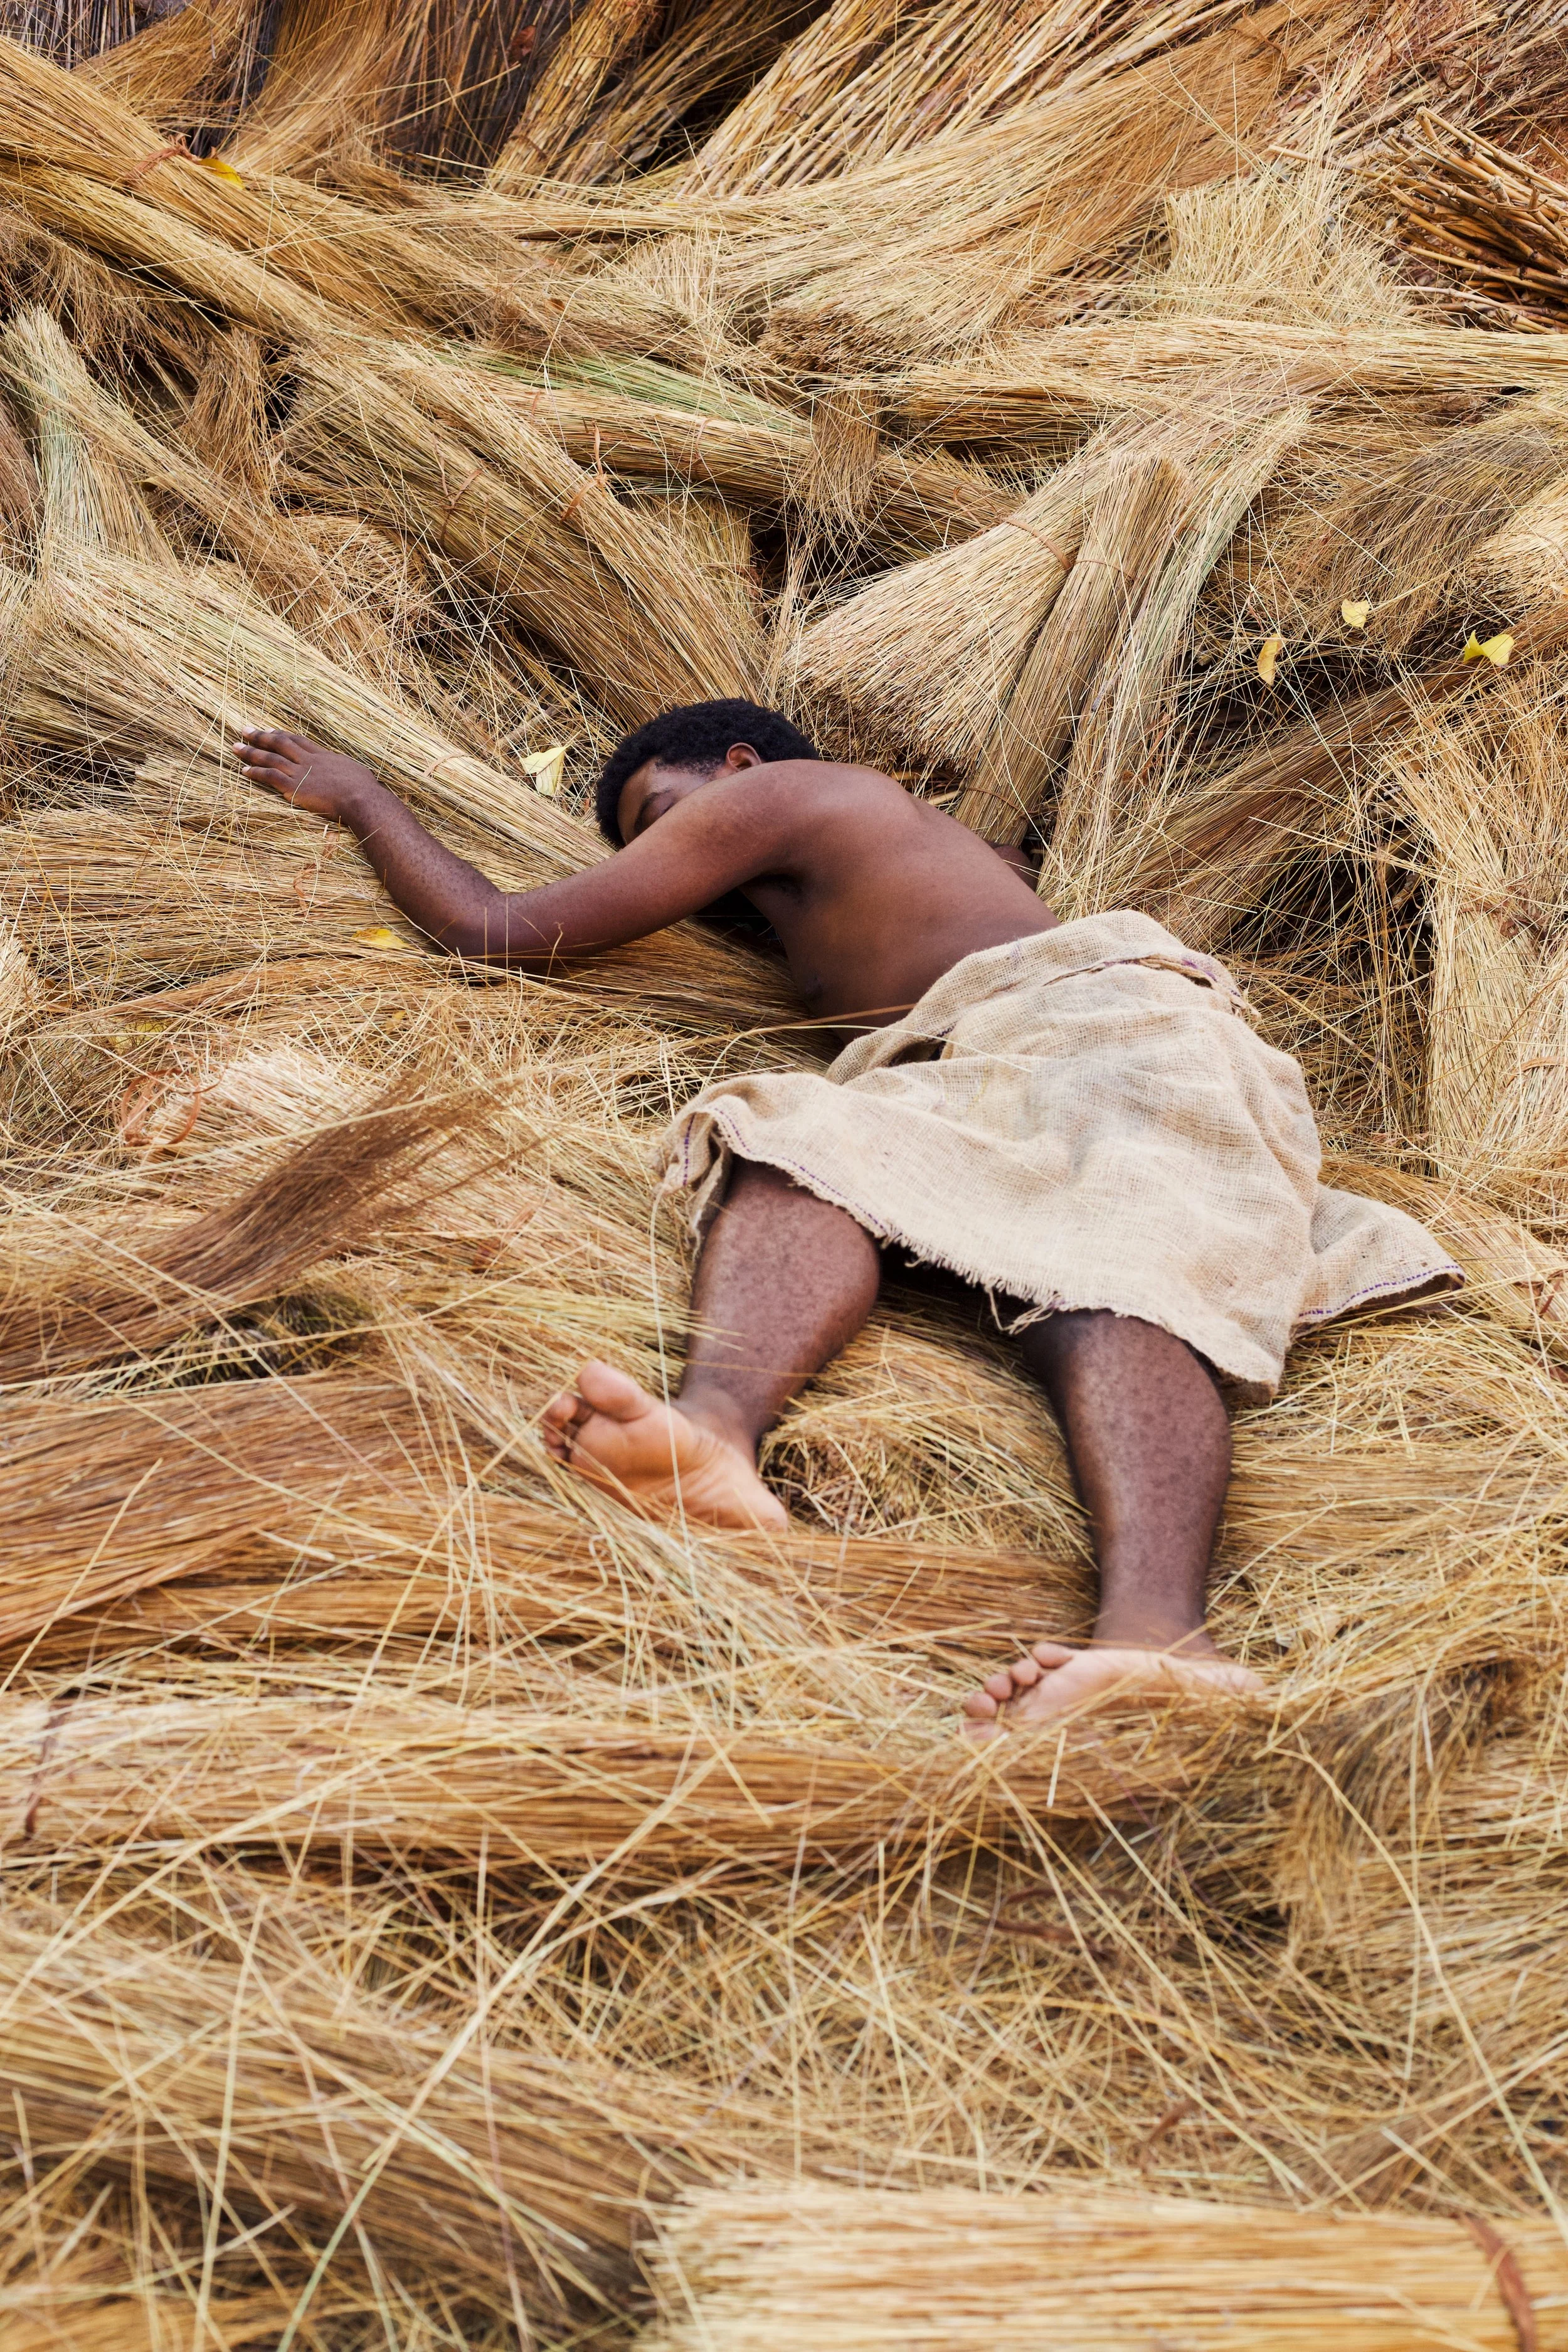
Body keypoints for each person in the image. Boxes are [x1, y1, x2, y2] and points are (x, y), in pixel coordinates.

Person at [233, 699, 1459, 1734]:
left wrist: (363, 802)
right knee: (793, 1137)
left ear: (738, 771)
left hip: (1106, 1033)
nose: (677, 860)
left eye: (662, 817)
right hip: (979, 1068)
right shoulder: (867, 887)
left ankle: (1163, 1643)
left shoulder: (787, 794)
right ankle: (710, 1437)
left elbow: (498, 931)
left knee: (1115, 1275)